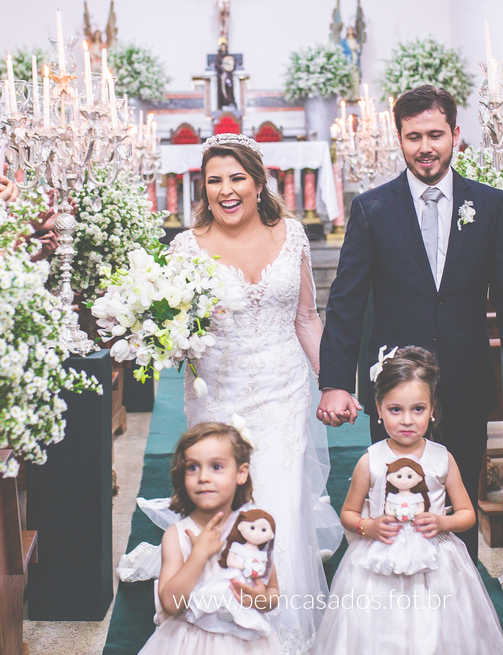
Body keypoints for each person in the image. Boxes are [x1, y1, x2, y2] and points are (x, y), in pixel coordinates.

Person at [318, 83, 503, 561]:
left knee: (457, 502)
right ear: (399, 138)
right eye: (413, 136)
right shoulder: (372, 208)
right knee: (393, 499)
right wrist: (334, 382)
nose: (425, 147)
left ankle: (459, 590)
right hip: (394, 387)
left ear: (455, 135)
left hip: (465, 376)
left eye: (435, 135)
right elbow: (346, 302)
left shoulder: (490, 205)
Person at [166, 133, 335, 653]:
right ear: (203, 188)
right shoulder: (187, 247)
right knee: (226, 499)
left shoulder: (293, 235)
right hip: (221, 393)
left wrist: (331, 382)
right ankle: (223, 621)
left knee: (279, 496)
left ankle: (284, 625)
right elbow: (175, 329)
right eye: (214, 180)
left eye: (237, 178)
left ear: (259, 183)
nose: (226, 190)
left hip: (285, 389)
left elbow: (306, 318)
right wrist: (165, 337)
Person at [313, 347, 503, 654]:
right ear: (378, 409)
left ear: (432, 409)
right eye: (395, 409)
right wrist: (367, 526)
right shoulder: (370, 461)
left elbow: (467, 514)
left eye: (418, 409)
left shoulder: (442, 458)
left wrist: (443, 522)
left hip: (435, 563)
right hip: (379, 561)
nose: (407, 420)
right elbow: (348, 513)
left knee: (435, 630)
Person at [143, 422, 281, 655]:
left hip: (246, 645)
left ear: (241, 473)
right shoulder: (177, 535)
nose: (203, 477)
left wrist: (261, 599)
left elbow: (273, 590)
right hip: (190, 643)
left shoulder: (254, 529)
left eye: (216, 467)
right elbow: (170, 604)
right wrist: (198, 555)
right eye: (193, 468)